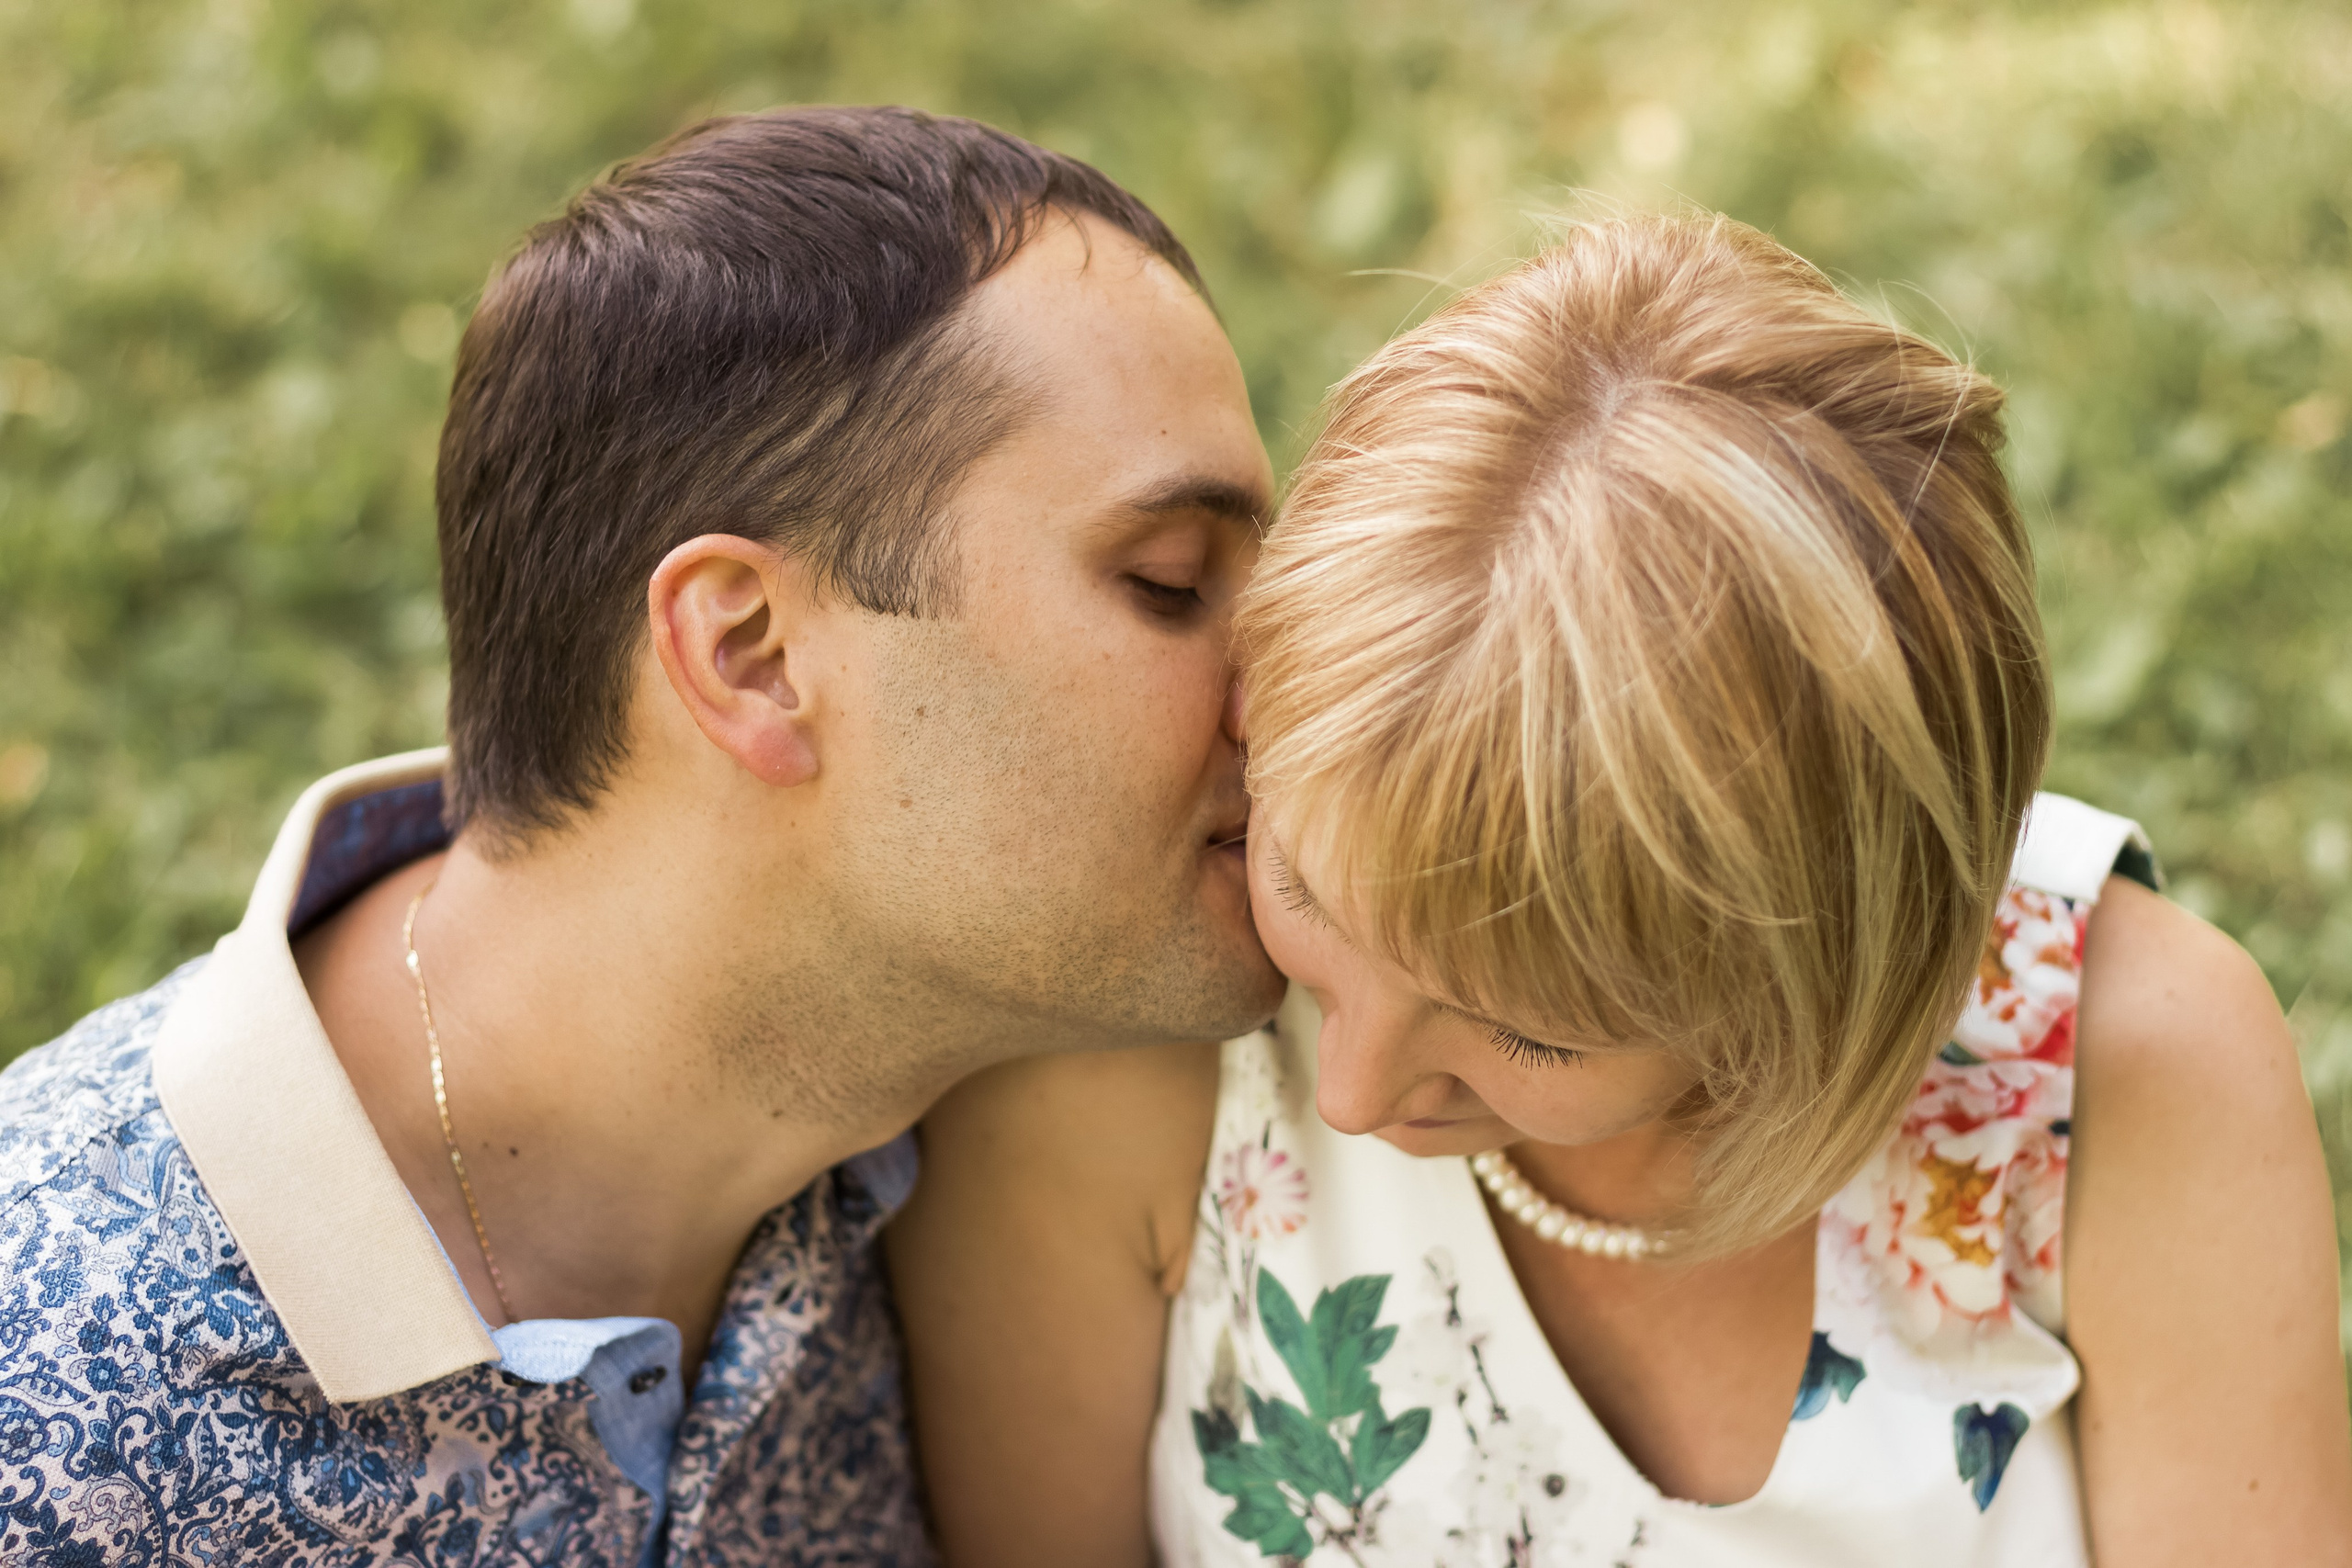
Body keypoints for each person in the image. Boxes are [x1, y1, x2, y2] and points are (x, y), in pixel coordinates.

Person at [889, 214, 2352, 1565]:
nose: (1350, 1091)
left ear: (1817, 986)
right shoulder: (1117, 1051)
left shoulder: (2120, 1074)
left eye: (1527, 1032)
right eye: (1311, 891)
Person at [0, 106, 1285, 1564]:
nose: (1298, 687)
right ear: (748, 653)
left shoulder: (1007, 1144)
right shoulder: (43, 1406)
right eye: (1171, 583)